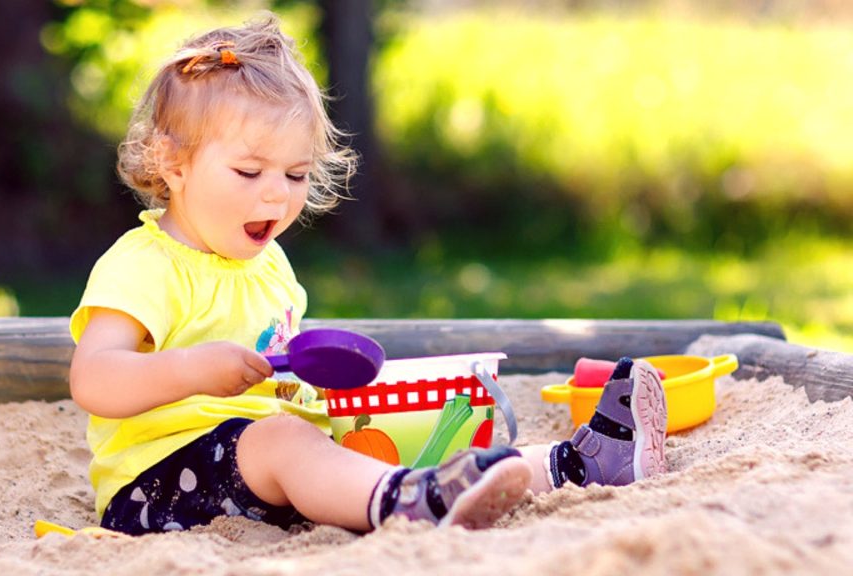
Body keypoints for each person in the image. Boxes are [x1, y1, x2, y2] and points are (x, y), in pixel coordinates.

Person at [68, 13, 668, 536]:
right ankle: (407, 502)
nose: (276, 198)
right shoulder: (144, 265)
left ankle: (574, 466)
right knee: (287, 441)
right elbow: (93, 379)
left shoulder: (269, 265)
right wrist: (192, 369)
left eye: (296, 175)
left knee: (403, 435)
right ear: (173, 163)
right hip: (159, 490)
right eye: (249, 173)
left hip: (270, 468)